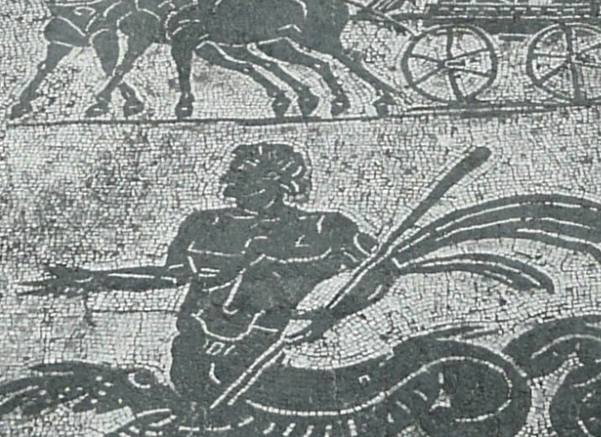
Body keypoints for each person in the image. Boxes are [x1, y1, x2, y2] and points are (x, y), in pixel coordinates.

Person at [25, 144, 369, 402]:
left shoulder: (326, 228)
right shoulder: (205, 224)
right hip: (197, 346)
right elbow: (170, 274)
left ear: (281, 183)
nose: (234, 188)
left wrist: (334, 313)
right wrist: (97, 279)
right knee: (196, 411)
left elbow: (380, 269)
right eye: (234, 179)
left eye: (247, 180)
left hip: (271, 350)